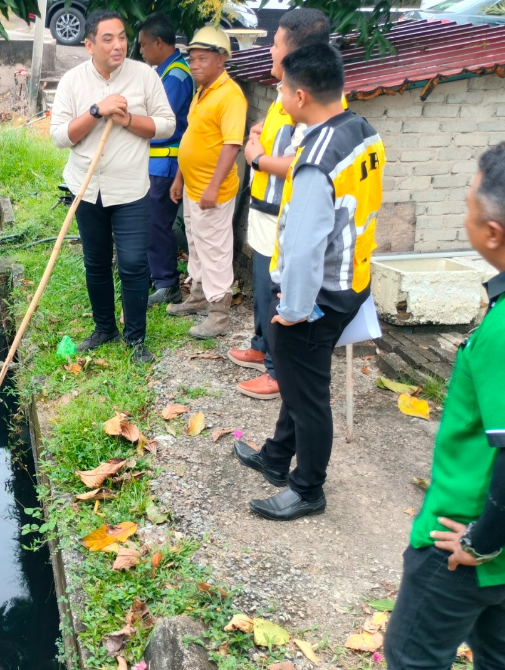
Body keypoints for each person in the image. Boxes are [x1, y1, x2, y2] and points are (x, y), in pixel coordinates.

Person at [384, 142, 505, 670]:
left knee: (411, 657)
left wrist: (480, 543)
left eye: (468, 204)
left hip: (462, 541)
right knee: (500, 649)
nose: (464, 214)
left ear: (493, 232)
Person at [232, 43, 385, 520]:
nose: (279, 97)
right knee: (301, 381)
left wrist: (293, 310)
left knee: (310, 397)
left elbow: (302, 248)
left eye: (281, 89)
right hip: (352, 278)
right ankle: (277, 457)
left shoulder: (316, 160)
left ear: (300, 96)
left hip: (319, 295)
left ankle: (308, 488)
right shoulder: (361, 131)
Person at [49, 10, 176, 364]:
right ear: (89, 45)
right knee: (96, 262)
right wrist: (97, 111)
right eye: (108, 39)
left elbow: (167, 125)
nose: (118, 44)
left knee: (133, 263)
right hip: (86, 187)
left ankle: (136, 339)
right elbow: (59, 136)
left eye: (122, 37)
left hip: (130, 188)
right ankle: (105, 328)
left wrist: (129, 119)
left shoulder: (144, 76)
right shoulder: (73, 81)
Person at [230, 8, 332, 401]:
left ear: (294, 51)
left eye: (275, 44)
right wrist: (263, 133)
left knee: (277, 289)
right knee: (262, 285)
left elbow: (303, 162)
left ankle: (277, 370)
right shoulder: (283, 91)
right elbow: (283, 140)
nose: (269, 50)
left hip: (282, 213)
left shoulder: (311, 99)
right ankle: (261, 346)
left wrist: (257, 158)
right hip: (265, 206)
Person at [167, 26, 247, 339]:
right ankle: (199, 296)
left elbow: (231, 145)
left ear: (221, 60)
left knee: (215, 250)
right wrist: (180, 178)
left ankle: (219, 315)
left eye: (202, 59)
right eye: (192, 59)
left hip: (214, 190)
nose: (194, 65)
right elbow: (192, 137)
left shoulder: (230, 96)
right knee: (196, 245)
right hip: (193, 186)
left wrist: (213, 186)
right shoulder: (203, 92)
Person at [138, 12, 194, 307]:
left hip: (166, 163)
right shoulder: (165, 72)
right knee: (150, 222)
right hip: (156, 163)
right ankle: (153, 276)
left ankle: (167, 284)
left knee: (158, 224)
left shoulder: (176, 76)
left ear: (159, 42)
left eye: (143, 45)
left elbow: (162, 123)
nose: (141, 51)